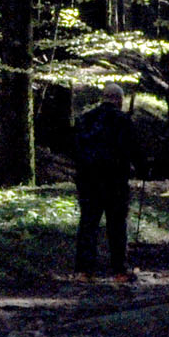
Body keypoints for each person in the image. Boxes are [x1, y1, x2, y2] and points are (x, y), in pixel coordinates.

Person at [71, 82, 137, 279]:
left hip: (88, 180)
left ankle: (84, 271)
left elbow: (75, 148)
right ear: (119, 100)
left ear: (103, 97)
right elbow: (133, 149)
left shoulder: (85, 119)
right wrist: (141, 168)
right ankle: (119, 270)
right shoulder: (123, 120)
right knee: (117, 225)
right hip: (115, 181)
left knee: (88, 224)